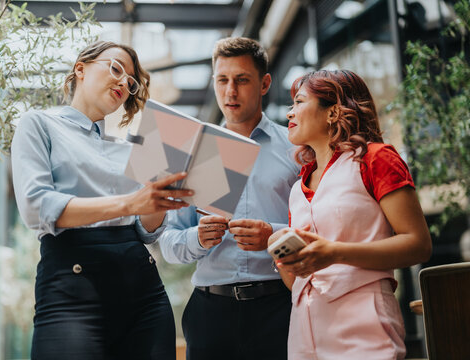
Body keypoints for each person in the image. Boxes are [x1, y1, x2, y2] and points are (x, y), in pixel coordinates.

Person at [11, 40, 194, 360]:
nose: (124, 82)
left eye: (131, 81)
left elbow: (145, 231)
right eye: (115, 68)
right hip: (72, 286)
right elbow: (35, 207)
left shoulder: (131, 148)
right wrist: (130, 203)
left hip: (144, 292)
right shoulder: (39, 124)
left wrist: (161, 201)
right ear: (80, 68)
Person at [269, 69, 432, 360]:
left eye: (299, 101)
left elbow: (418, 244)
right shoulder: (297, 188)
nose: (289, 112)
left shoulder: (376, 159)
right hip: (304, 332)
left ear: (333, 111)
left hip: (363, 325)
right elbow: (295, 282)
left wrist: (334, 253)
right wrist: (285, 259)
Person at [159, 37, 300, 360]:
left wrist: (272, 236)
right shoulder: (191, 153)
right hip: (210, 314)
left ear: (264, 83)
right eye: (222, 80)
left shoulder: (296, 150)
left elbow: (318, 229)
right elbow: (167, 242)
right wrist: (197, 237)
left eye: (242, 80)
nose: (230, 92)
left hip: (279, 306)